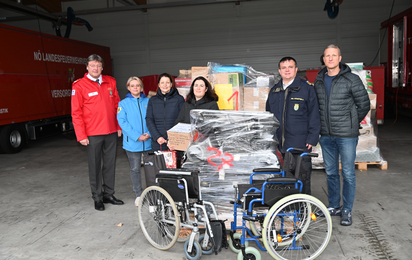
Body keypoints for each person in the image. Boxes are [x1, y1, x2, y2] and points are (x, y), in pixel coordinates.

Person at [314, 44, 370, 226]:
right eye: (327, 56)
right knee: (330, 172)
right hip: (326, 135)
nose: (330, 58)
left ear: (340, 58)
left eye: (334, 55)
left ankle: (346, 209)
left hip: (346, 135)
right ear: (323, 59)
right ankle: (333, 206)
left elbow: (364, 104)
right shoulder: (319, 79)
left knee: (347, 173)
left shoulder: (351, 79)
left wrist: (351, 122)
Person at [71, 54, 124, 211]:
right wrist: (81, 135)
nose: (96, 68)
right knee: (94, 166)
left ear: (102, 67)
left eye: (98, 66)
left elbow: (117, 106)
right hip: (92, 133)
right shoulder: (79, 86)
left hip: (110, 131)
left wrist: (119, 126)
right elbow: (76, 112)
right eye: (92, 65)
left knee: (110, 164)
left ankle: (108, 194)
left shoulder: (110, 82)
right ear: (87, 67)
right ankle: (97, 197)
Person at [266, 56, 321, 195]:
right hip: (279, 144)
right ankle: (290, 209)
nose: (287, 70)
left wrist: (312, 138)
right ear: (279, 70)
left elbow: (314, 114)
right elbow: (268, 116)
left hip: (300, 143)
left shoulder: (306, 89)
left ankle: (303, 210)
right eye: (284, 67)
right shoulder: (274, 91)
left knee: (302, 178)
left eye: (290, 67)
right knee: (284, 179)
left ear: (296, 69)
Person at [117, 76, 151, 207]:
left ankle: (152, 192)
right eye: (132, 85)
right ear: (128, 87)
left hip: (148, 141)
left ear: (141, 87)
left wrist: (149, 133)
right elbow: (123, 123)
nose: (135, 87)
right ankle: (139, 194)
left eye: (137, 85)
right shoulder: (123, 104)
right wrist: (137, 136)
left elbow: (153, 119)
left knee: (151, 169)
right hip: (132, 143)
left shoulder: (148, 101)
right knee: (135, 169)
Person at [146, 73, 185, 152]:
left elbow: (182, 119)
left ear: (171, 84)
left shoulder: (179, 99)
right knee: (159, 164)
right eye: (162, 82)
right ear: (159, 85)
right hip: (158, 142)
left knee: (176, 163)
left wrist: (173, 138)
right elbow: (149, 119)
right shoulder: (153, 100)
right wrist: (157, 137)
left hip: (175, 142)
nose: (165, 85)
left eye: (167, 82)